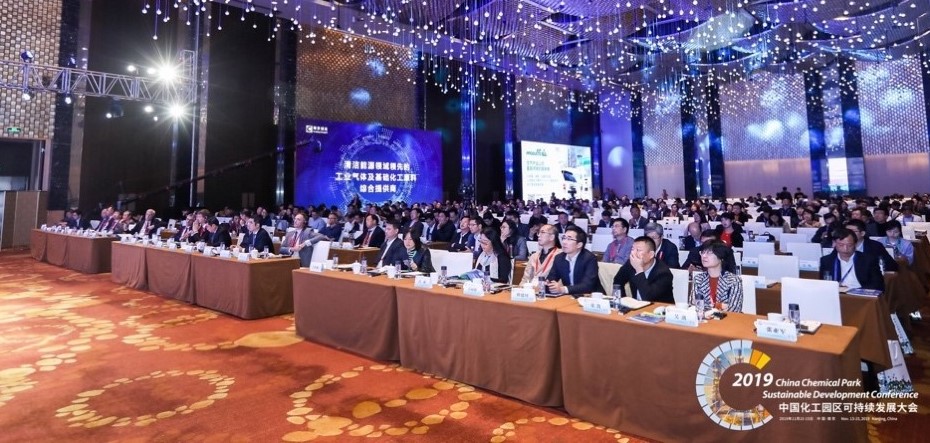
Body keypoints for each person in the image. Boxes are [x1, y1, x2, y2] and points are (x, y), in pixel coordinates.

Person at [612, 236, 674, 303]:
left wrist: (639, 270)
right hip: (637, 307)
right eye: (632, 249)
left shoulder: (663, 273)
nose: (633, 253)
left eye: (638, 250)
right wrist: (623, 301)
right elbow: (617, 281)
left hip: (659, 308)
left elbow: (648, 298)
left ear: (651, 255)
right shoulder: (630, 264)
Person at [820, 227, 884, 291]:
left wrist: (853, 290)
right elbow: (824, 284)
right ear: (834, 243)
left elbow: (878, 284)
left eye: (849, 245)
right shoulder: (826, 261)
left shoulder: (868, 260)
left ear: (855, 244)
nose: (845, 249)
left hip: (860, 294)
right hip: (836, 293)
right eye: (841, 245)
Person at [545, 225, 602, 296]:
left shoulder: (589, 258)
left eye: (569, 239)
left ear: (579, 245)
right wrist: (547, 284)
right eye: (564, 238)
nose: (564, 242)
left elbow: (587, 286)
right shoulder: (559, 258)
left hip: (591, 297)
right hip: (569, 297)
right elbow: (551, 279)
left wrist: (563, 289)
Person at [691, 241, 743, 313]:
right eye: (702, 252)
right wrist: (720, 306)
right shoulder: (698, 279)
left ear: (721, 257)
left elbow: (735, 309)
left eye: (709, 253)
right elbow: (693, 306)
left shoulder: (733, 280)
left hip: (726, 319)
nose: (704, 256)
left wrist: (708, 308)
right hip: (703, 319)